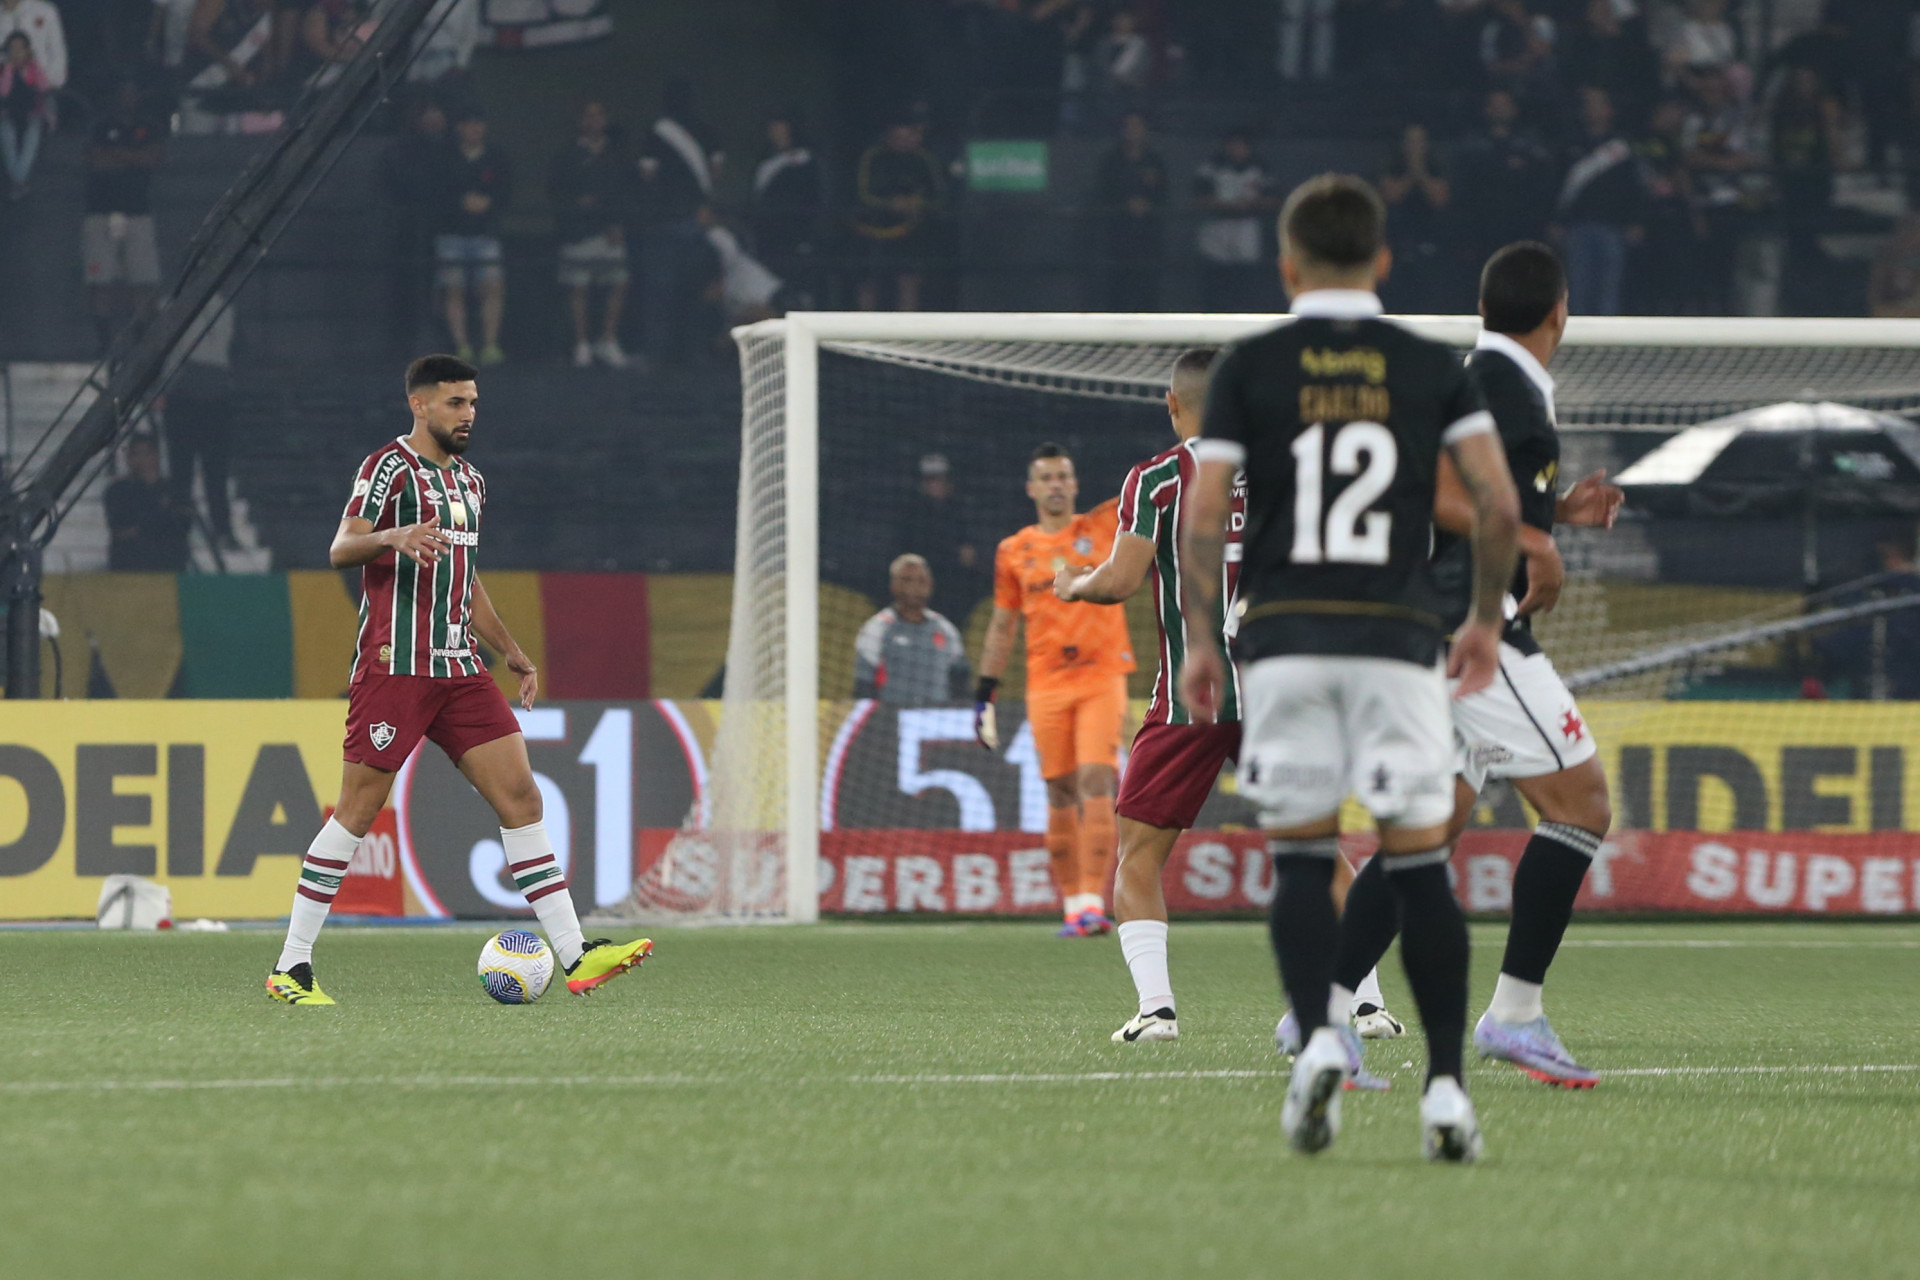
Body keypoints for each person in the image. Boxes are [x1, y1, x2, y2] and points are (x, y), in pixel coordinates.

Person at [1176, 173, 1521, 1161]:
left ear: (1286, 266)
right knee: (1417, 865)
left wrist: (1203, 638)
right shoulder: (1429, 365)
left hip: (1285, 638)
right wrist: (1486, 618)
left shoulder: (1249, 368)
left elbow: (1205, 519)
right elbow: (1497, 505)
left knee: (1299, 859)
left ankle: (1321, 1036)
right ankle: (1448, 1091)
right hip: (1400, 636)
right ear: (1383, 262)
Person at [1324, 243, 1624, 1092]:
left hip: (1430, 628)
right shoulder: (1501, 384)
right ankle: (1516, 1017)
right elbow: (1422, 485)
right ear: (1560, 311)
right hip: (1471, 631)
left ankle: (1321, 1012)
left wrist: (1555, 510)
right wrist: (1534, 538)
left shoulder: (1487, 379)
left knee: (1431, 825)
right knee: (1581, 806)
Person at [265, 354, 654, 1005]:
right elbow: (341, 547)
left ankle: (577, 954)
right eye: (455, 403)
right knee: (358, 811)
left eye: (473, 402)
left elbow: (465, 583)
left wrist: (513, 651)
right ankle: (292, 966)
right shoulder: (387, 467)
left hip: (460, 670)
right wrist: (395, 536)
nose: (468, 413)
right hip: (396, 668)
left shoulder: (472, 482)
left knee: (522, 799)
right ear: (420, 405)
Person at [1054, 348, 1403, 1047]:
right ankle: (1366, 1003)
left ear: (1171, 402)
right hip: (1285, 692)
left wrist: (1074, 584)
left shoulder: (1156, 479)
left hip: (1194, 699)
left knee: (1139, 854)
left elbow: (1120, 581)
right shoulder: (1288, 470)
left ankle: (1156, 1011)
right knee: (1318, 844)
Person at [975, 443, 1136, 937]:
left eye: (1063, 476)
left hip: (1101, 675)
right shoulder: (1013, 550)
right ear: (1031, 488)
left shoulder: (1100, 528)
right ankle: (1072, 905)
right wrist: (984, 694)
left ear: (1075, 483)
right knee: (1058, 789)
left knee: (1095, 779)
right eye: (1046, 477)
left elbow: (1145, 488)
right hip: (1045, 683)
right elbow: (1003, 626)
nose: (1056, 485)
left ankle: (1092, 901)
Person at [636, 80, 724, 363]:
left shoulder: (655, 134)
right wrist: (701, 202)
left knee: (661, 293)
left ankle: (658, 354)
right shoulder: (705, 131)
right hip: (690, 220)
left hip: (665, 222)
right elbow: (716, 171)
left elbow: (647, 175)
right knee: (693, 289)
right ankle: (693, 353)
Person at [549, 99, 633, 369]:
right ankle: (581, 344)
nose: (594, 121)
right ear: (580, 120)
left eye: (599, 115)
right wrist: (577, 203)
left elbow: (624, 191)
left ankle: (608, 340)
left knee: (619, 282)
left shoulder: (617, 155)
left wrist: (617, 222)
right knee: (578, 287)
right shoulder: (566, 155)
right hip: (578, 233)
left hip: (610, 233)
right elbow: (556, 193)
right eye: (588, 115)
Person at [83, 81, 165, 355]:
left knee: (144, 278)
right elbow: (96, 160)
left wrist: (116, 155)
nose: (127, 98)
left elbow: (152, 158)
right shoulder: (100, 126)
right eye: (123, 92)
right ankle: (103, 341)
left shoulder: (149, 126)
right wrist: (132, 157)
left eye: (132, 92)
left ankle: (142, 338)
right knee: (99, 279)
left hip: (138, 213)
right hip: (101, 214)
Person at [1552, 85, 1643, 317]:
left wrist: (1635, 221)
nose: (1594, 110)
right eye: (1589, 105)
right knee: (1578, 287)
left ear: (1609, 110)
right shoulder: (1567, 144)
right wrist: (1556, 221)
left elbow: (1632, 187)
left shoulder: (1622, 148)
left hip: (1613, 227)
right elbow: (1555, 185)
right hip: (1577, 226)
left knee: (1608, 289)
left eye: (1599, 104)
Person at [163, 295, 238, 550]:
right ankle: (185, 529)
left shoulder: (222, 307)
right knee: (185, 468)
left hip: (208, 387)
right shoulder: (176, 304)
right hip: (191, 387)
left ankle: (220, 529)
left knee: (209, 470)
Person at [435, 108, 509, 365]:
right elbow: (435, 190)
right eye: (469, 124)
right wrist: (460, 202)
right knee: (453, 288)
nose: (475, 129)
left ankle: (490, 344)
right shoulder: (445, 157)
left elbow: (506, 190)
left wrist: (488, 202)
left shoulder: (496, 157)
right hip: (451, 233)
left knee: (492, 287)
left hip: (485, 233)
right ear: (459, 128)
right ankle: (461, 345)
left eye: (479, 124)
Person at [849, 116, 943, 312]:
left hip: (910, 234)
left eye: (910, 136)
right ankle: (863, 335)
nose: (906, 142)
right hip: (872, 232)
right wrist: (890, 204)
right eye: (900, 137)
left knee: (909, 283)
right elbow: (862, 195)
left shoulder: (924, 159)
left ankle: (907, 337)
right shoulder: (873, 157)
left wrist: (917, 204)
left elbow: (940, 198)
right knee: (869, 284)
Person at [853, 554, 972, 706]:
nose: (916, 586)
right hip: (890, 719)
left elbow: (960, 682)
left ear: (930, 585)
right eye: (907, 580)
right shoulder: (877, 628)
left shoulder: (945, 629)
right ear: (893, 585)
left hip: (937, 719)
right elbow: (863, 685)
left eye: (922, 580)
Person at [378, 97, 446, 358]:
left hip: (438, 230)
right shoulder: (399, 153)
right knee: (407, 289)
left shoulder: (446, 151)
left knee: (441, 286)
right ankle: (406, 344)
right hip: (407, 234)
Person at [1091, 110, 1167, 311]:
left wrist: (1148, 205)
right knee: (1118, 285)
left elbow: (1164, 194)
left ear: (1145, 130)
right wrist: (1125, 204)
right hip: (1118, 234)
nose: (1133, 130)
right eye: (1129, 126)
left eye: (1137, 125)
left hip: (1148, 235)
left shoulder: (1155, 160)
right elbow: (1102, 193)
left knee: (1147, 285)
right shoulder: (1111, 161)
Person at [1193, 129, 1275, 313]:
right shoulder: (1211, 166)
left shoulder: (1259, 166)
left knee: (1245, 278)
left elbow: (1275, 198)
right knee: (1216, 276)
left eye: (1241, 145)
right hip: (1217, 227)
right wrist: (1225, 205)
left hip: (1247, 227)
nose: (1237, 149)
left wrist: (1253, 203)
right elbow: (1199, 198)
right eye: (1233, 144)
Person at [1378, 122, 1451, 314]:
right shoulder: (1392, 164)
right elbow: (1391, 196)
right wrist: (1411, 172)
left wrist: (1422, 173)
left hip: (1429, 245)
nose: (1415, 146)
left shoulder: (1436, 166)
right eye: (1411, 141)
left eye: (1419, 141)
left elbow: (1439, 199)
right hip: (1397, 244)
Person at [750, 111, 822, 300]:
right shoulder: (765, 160)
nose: (776, 133)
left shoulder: (805, 160)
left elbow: (812, 198)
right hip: (766, 236)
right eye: (773, 129)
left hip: (795, 237)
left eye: (781, 129)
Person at [105, 433, 191, 571]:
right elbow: (119, 528)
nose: (142, 459)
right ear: (128, 458)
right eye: (135, 454)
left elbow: (183, 525)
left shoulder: (175, 489)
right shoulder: (117, 490)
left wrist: (142, 527)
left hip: (169, 567)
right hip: (130, 567)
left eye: (146, 453)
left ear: (156, 455)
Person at [0, 30, 53, 200]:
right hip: (9, 114)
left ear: (27, 50)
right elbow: (4, 92)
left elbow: (44, 90)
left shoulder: (35, 69)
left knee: (33, 135)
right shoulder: (4, 70)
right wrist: (8, 69)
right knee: (6, 135)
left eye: (20, 48)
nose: (16, 53)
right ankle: (20, 182)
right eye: (12, 49)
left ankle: (17, 181)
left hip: (32, 113)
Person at [0, 0, 65, 92]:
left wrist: (47, 84)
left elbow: (57, 53)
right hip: (5, 95)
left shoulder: (45, 11)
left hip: (43, 92)